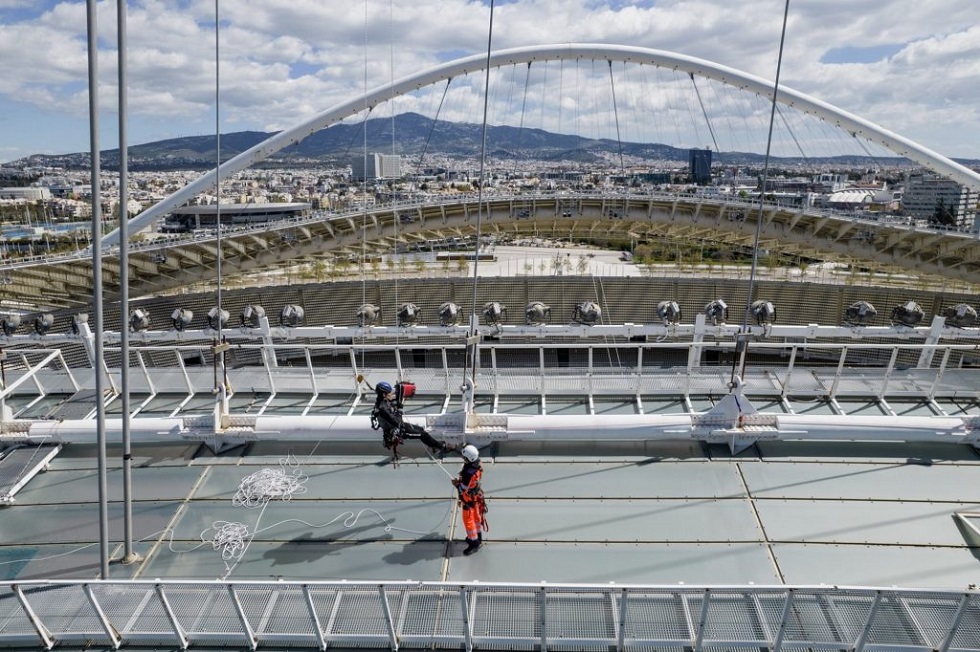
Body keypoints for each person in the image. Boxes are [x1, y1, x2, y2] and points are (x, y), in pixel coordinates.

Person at [370, 381, 456, 458]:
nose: (391, 394)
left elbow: (390, 406)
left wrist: (395, 404)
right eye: (389, 393)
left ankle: (433, 446)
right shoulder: (383, 409)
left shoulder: (381, 402)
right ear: (384, 394)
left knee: (420, 429)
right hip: (400, 431)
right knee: (422, 434)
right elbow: (397, 423)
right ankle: (443, 447)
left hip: (399, 427)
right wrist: (398, 412)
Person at [453, 444, 487, 555]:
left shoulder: (468, 473)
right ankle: (478, 538)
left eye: (464, 457)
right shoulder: (477, 464)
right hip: (476, 497)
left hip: (468, 500)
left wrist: (456, 484)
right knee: (476, 517)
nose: (463, 459)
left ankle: (474, 543)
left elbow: (463, 489)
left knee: (469, 521)